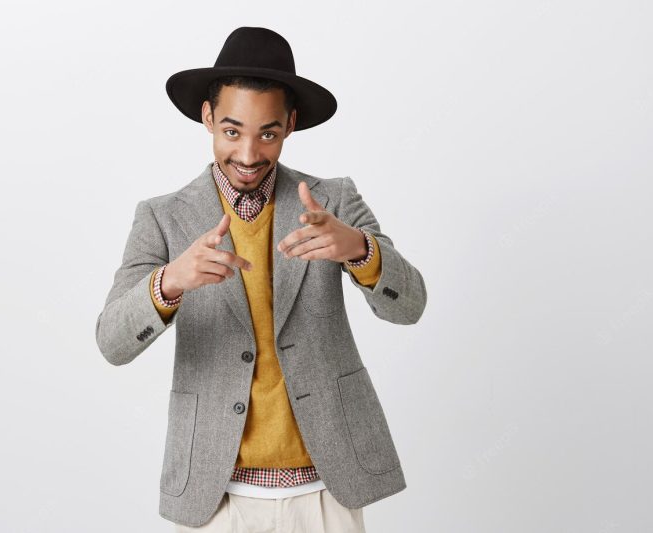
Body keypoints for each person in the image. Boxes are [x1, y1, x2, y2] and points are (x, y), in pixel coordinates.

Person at [95, 26, 427, 532]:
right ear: (207, 118)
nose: (249, 154)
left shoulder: (332, 200)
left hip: (327, 484)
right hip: (215, 489)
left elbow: (410, 306)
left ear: (290, 125)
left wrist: (360, 251)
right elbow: (112, 343)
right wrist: (171, 281)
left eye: (267, 133)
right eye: (232, 131)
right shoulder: (162, 218)